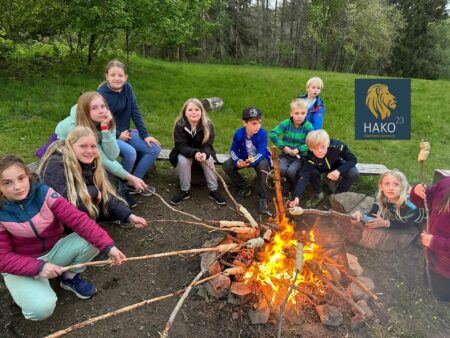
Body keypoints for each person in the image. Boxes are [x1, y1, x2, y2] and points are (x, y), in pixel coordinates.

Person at [0, 155, 126, 320]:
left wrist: (109, 246)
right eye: (7, 183)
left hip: (54, 252)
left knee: (94, 240)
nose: (17, 187)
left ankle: (69, 277)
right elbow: (2, 257)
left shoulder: (44, 193)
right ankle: (29, 289)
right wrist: (38, 268)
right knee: (40, 310)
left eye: (21, 178)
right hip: (21, 263)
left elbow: (78, 220)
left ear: (28, 176)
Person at [38, 126, 147, 228]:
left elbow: (105, 194)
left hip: (81, 202)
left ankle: (94, 225)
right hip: (54, 218)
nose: (89, 151)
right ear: (70, 145)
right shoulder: (56, 164)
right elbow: (63, 200)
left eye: (93, 146)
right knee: (86, 209)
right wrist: (93, 191)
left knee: (119, 206)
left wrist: (130, 217)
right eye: (83, 146)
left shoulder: (92, 163)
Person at [55, 91, 148, 208]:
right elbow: (101, 157)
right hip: (64, 151)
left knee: (104, 168)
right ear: (85, 111)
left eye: (103, 106)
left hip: (88, 149)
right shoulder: (77, 127)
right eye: (94, 108)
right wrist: (129, 177)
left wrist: (105, 128)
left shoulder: (105, 121)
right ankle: (99, 204)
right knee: (99, 169)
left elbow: (112, 155)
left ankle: (110, 202)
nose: (101, 111)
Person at [97, 60, 161, 196]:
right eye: (113, 75)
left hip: (126, 132)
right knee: (131, 153)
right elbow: (98, 122)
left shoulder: (127, 88)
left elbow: (134, 110)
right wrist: (118, 135)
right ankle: (122, 190)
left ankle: (132, 183)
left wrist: (145, 135)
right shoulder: (100, 94)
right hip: (108, 136)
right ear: (106, 76)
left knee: (154, 148)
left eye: (120, 75)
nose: (117, 78)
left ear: (126, 77)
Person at [168, 98, 226, 206]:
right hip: (185, 151)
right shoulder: (180, 124)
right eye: (190, 110)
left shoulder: (208, 125)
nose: (193, 112)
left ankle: (214, 190)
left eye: (197, 109)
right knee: (183, 161)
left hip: (203, 151)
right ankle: (184, 191)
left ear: (202, 111)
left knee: (208, 159)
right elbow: (180, 145)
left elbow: (208, 144)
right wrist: (194, 153)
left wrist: (204, 153)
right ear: (185, 112)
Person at [289, 129, 359, 208]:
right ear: (310, 148)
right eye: (315, 148)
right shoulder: (309, 156)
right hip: (318, 167)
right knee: (312, 172)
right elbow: (303, 176)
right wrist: (297, 197)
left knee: (353, 172)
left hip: (334, 164)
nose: (319, 151)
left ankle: (338, 195)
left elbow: (353, 159)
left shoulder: (337, 146)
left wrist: (338, 171)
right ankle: (318, 194)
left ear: (328, 144)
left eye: (323, 147)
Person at [223, 107, 271, 215]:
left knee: (263, 166)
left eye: (259, 123)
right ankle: (244, 187)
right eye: (254, 123)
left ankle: (262, 198)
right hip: (244, 157)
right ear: (245, 123)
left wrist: (251, 161)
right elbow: (233, 150)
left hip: (257, 158)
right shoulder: (239, 133)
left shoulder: (262, 133)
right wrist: (238, 161)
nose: (257, 126)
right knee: (227, 165)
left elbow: (262, 151)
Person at [410, 177, 450, 301]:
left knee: (439, 294)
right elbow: (425, 200)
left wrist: (435, 242)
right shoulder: (446, 183)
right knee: (428, 283)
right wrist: (417, 192)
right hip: (432, 254)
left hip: (446, 267)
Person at [352, 170, 425, 229]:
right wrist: (360, 216)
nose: (391, 188)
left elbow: (406, 223)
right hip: (406, 216)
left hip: (427, 218)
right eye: (387, 184)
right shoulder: (380, 196)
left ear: (402, 188)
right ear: (381, 187)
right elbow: (373, 214)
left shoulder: (409, 204)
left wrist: (386, 223)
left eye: (396, 184)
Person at [269, 98, 314, 194]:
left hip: (300, 157)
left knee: (292, 171)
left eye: (303, 113)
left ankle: (296, 185)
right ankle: (287, 183)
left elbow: (312, 142)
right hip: (286, 155)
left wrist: (299, 149)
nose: (299, 116)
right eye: (296, 113)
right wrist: (283, 147)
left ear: (306, 113)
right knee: (281, 169)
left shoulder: (308, 126)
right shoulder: (286, 123)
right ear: (291, 113)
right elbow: (273, 134)